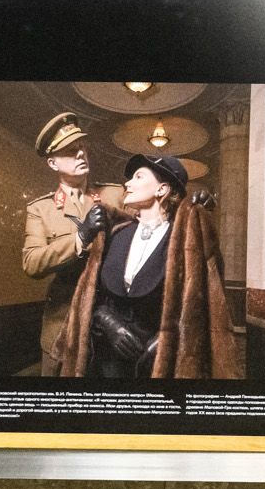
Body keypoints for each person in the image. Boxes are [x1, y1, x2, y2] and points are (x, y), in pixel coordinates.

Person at [50, 153, 244, 380]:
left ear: (162, 189)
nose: (127, 183)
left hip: (157, 367)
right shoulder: (115, 234)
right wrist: (107, 322)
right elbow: (93, 295)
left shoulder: (184, 240)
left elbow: (201, 303)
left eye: (138, 177)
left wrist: (166, 341)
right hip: (105, 364)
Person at [18, 111, 124, 374]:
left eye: (81, 148)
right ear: (53, 163)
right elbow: (31, 263)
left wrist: (189, 205)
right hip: (61, 325)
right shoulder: (40, 210)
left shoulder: (115, 194)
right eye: (69, 151)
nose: (80, 154)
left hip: (110, 323)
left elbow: (158, 212)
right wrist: (79, 238)